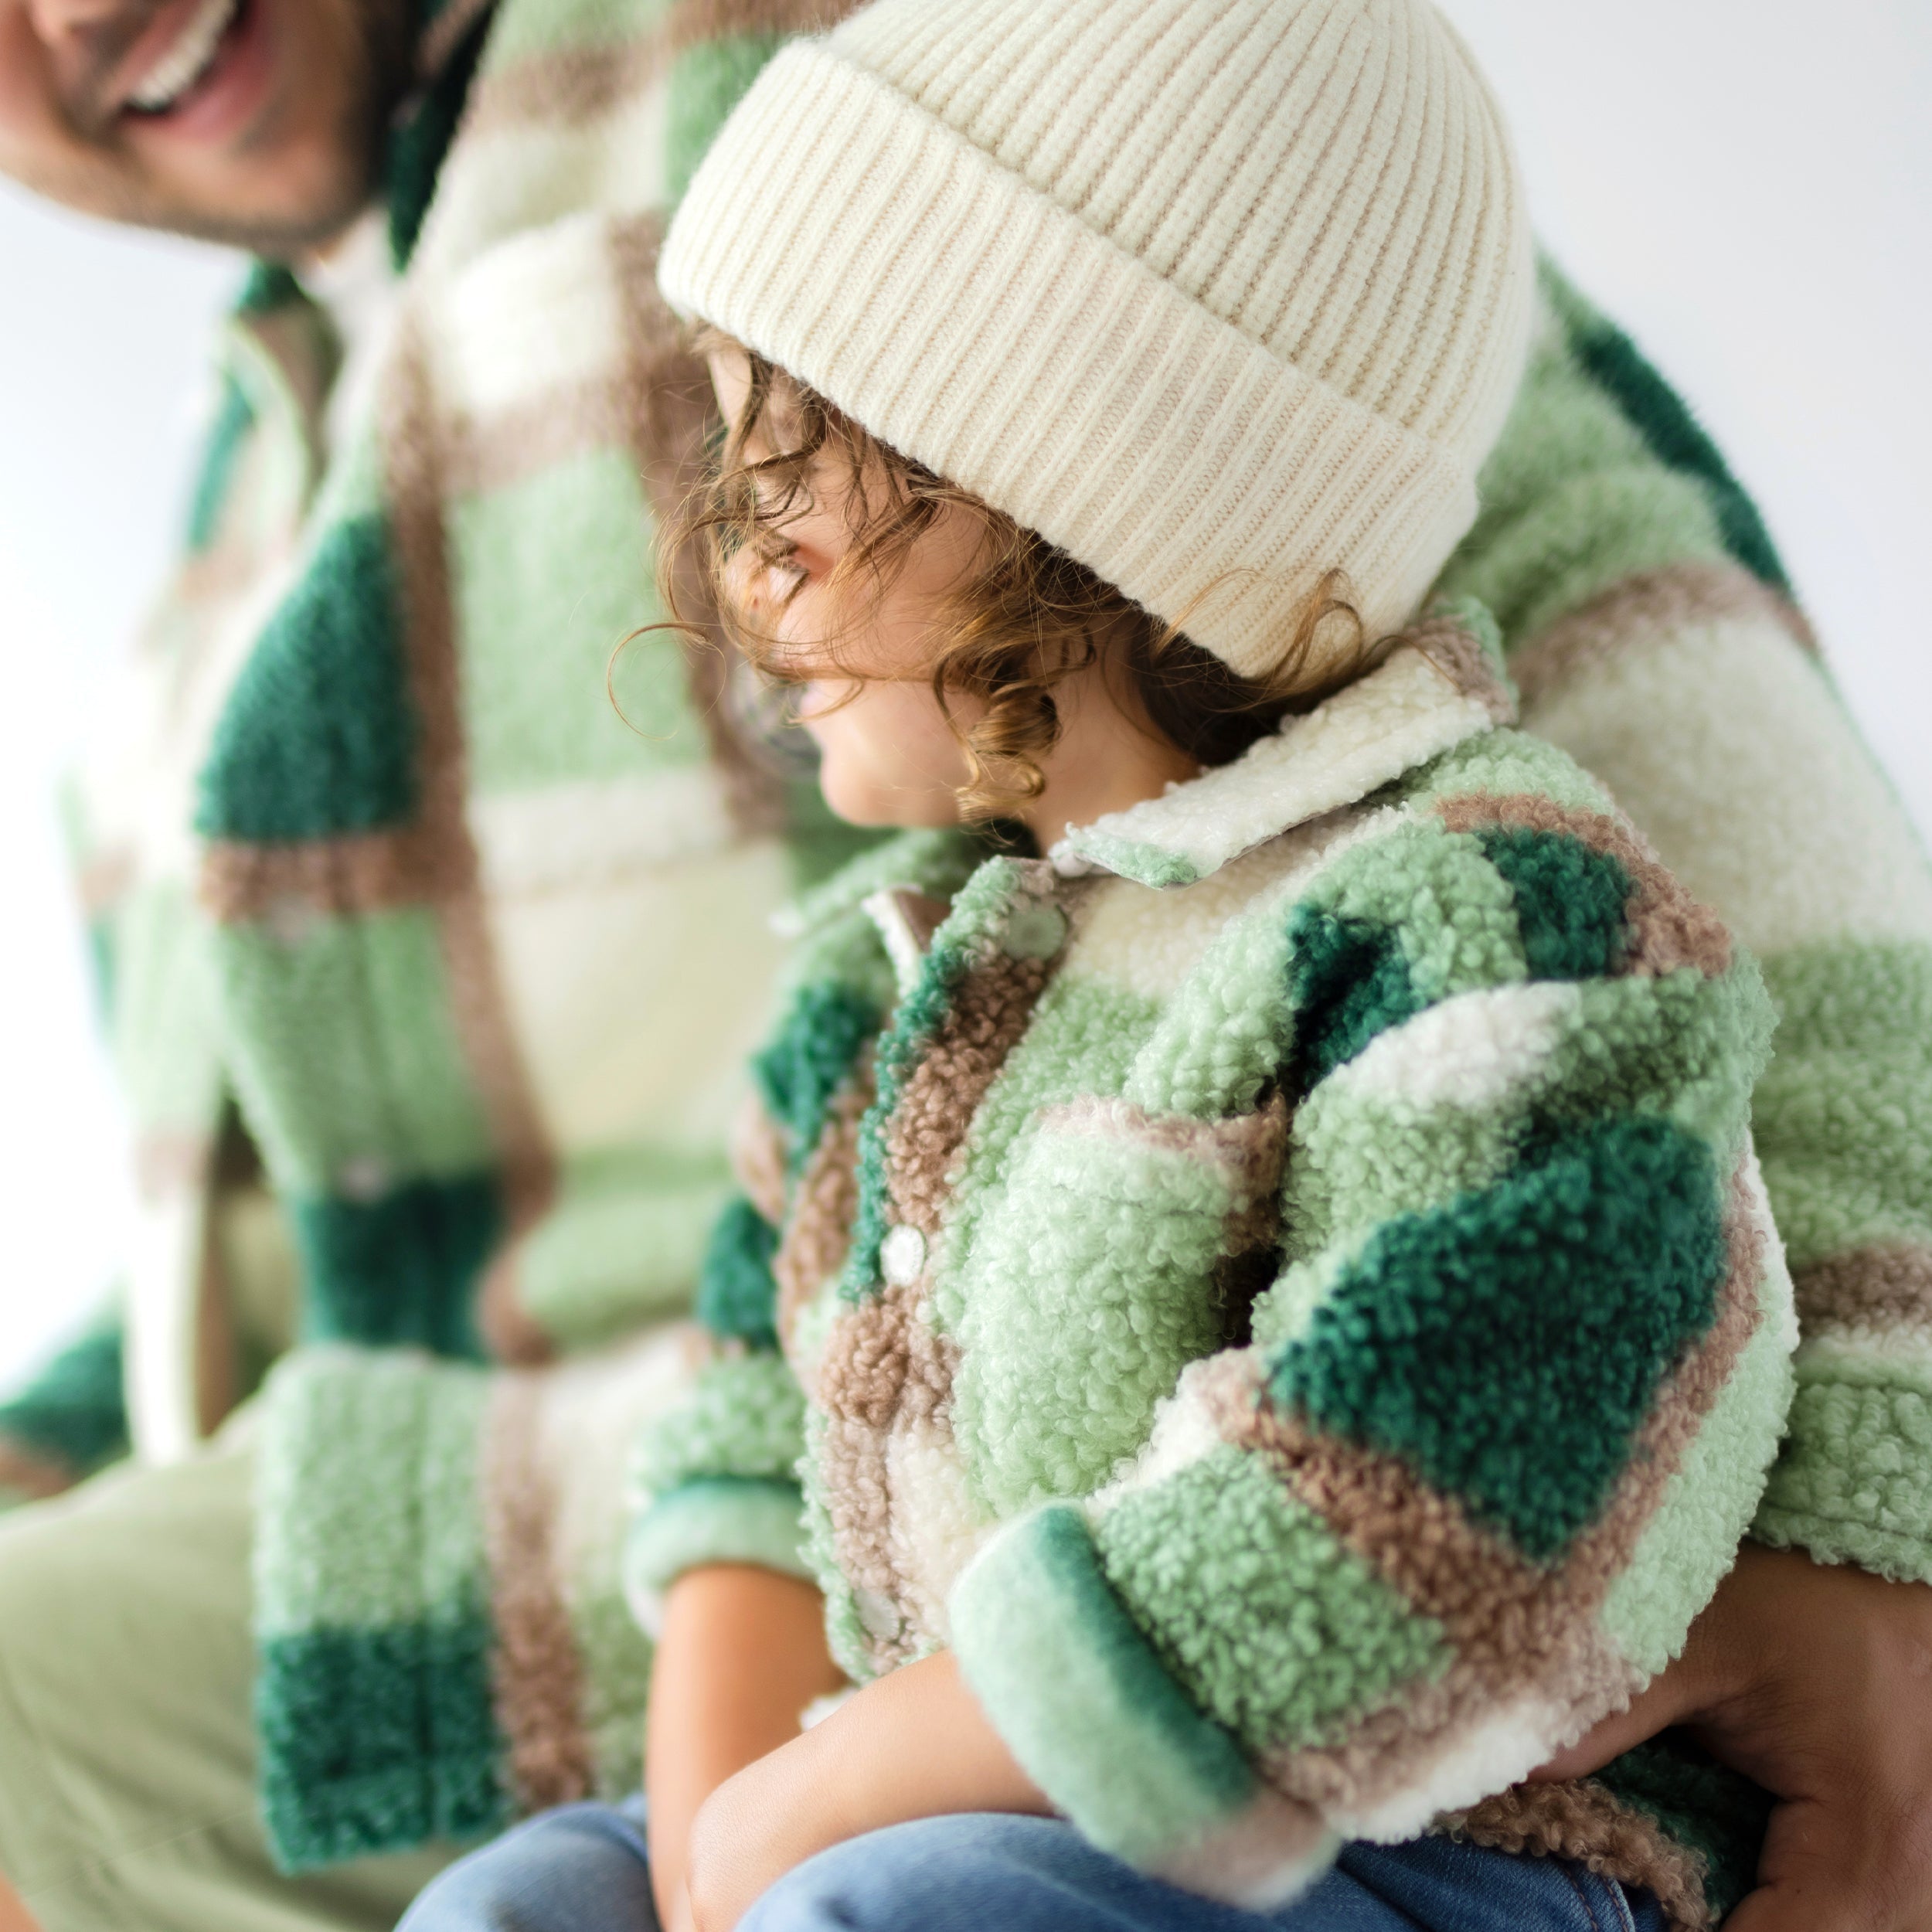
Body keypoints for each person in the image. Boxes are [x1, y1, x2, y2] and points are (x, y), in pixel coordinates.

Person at [0, 2, 1927, 1930]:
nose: (720, 563)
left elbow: (1618, 616)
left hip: (1310, 1738)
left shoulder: (1447, 903)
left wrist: (1868, 1485)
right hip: (778, 1564)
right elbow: (320, 1256)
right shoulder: (879, 969)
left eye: (781, 456)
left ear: (1090, 466)